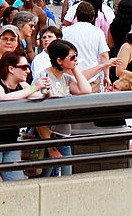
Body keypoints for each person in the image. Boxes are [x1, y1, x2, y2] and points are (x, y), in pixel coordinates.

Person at [0, 50, 51, 183]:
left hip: (11, 142)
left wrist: (46, 91)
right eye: (24, 67)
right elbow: (4, 99)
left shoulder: (22, 86)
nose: (28, 71)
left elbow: (38, 96)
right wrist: (33, 88)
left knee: (16, 184)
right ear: (11, 69)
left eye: (28, 67)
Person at [35, 39, 92, 177]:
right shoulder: (43, 78)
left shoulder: (66, 78)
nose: (75, 60)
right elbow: (38, 116)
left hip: (64, 136)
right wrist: (50, 147)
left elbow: (86, 90)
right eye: (72, 57)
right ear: (59, 60)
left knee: (67, 179)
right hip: (47, 137)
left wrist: (74, 68)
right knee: (43, 179)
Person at [62, 2, 110, 92]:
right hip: (92, 76)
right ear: (93, 17)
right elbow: (104, 55)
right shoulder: (98, 32)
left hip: (71, 77)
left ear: (76, 16)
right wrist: (106, 75)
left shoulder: (66, 31)